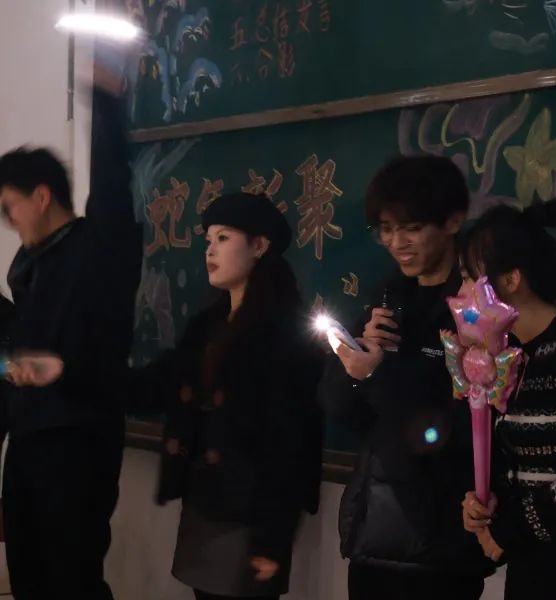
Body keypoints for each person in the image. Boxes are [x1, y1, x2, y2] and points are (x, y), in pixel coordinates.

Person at [318, 155, 493, 600]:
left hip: (441, 542)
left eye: (411, 228)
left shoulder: (477, 309)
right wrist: (357, 363)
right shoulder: (387, 297)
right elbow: (339, 410)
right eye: (386, 229)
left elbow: (453, 430)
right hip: (376, 531)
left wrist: (377, 375)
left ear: (453, 221)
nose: (397, 243)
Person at [0, 67, 142, 599]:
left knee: (70, 580)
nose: (9, 222)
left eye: (9, 208)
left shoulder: (97, 247)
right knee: (29, 577)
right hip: (28, 442)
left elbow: (112, 183)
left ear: (41, 196)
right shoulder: (27, 269)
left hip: (78, 441)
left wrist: (105, 102)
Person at [146, 192, 322, 600]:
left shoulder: (284, 331)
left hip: (253, 515)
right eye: (208, 240)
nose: (210, 251)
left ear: (259, 246)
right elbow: (162, 382)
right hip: (206, 503)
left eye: (223, 238)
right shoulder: (207, 325)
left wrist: (272, 539)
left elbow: (291, 440)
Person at [461, 198, 556, 599]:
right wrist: (487, 503)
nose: (462, 294)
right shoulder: (515, 354)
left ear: (510, 280)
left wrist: (514, 527)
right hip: (534, 565)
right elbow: (526, 461)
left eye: (469, 279)